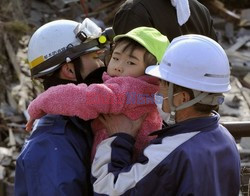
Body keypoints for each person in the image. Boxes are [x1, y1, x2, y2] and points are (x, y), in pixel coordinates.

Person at [91, 34, 241, 195]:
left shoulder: (170, 151)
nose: (157, 87)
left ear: (183, 97)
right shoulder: (225, 138)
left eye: (163, 83)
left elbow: (106, 188)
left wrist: (119, 139)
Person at [25, 27, 170, 160]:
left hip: (114, 170)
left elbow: (84, 98)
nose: (118, 67)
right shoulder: (152, 93)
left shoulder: (124, 91)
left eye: (131, 63)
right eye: (116, 58)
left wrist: (40, 104)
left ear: (151, 71)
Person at [14, 18, 113, 195]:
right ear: (69, 70)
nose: (104, 67)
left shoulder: (78, 124)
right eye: (96, 58)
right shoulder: (51, 146)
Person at [113, 0, 217, 41]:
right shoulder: (201, 10)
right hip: (198, 88)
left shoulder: (134, 10)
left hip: (154, 88)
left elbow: (125, 68)